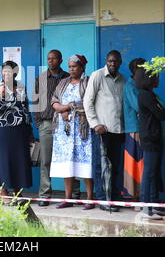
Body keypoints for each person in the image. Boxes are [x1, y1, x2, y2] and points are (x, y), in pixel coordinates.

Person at [34, 50, 80, 206]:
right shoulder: (40, 79)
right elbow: (35, 102)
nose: (50, 61)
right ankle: (45, 194)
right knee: (45, 160)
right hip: (46, 123)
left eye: (54, 58)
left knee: (69, 157)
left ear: (60, 61)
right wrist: (38, 122)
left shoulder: (68, 77)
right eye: (48, 59)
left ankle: (74, 192)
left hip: (65, 123)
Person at [50, 55, 94, 210]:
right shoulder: (63, 82)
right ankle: (67, 198)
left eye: (74, 66)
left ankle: (90, 198)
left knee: (84, 162)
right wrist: (61, 108)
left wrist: (68, 107)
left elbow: (89, 102)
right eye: (69, 66)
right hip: (64, 131)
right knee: (67, 163)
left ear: (82, 67)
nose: (71, 69)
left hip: (82, 128)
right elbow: (54, 100)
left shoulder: (87, 82)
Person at [83, 50, 125, 212]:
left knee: (116, 167)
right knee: (101, 166)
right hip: (101, 131)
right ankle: (102, 199)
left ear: (120, 62)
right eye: (110, 61)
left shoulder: (122, 79)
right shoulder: (97, 75)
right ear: (106, 61)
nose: (112, 64)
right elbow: (88, 101)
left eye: (115, 61)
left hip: (118, 130)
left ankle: (114, 198)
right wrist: (95, 124)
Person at [0, 61, 33, 204]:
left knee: (19, 160)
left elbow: (25, 109)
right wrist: (2, 96)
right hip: (3, 130)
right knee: (3, 160)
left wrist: (29, 129)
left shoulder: (21, 87)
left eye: (9, 71)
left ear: (15, 73)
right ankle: (4, 193)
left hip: (19, 131)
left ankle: (18, 193)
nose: (6, 74)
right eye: (4, 71)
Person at [135, 68, 165, 220]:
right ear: (148, 79)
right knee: (149, 173)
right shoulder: (145, 95)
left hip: (155, 137)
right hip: (150, 138)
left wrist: (162, 110)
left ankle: (155, 205)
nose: (158, 80)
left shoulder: (151, 94)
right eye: (155, 77)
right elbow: (161, 113)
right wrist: (162, 110)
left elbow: (162, 112)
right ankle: (146, 208)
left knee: (155, 172)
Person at [122, 58, 146, 202]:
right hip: (134, 128)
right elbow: (139, 107)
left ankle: (142, 193)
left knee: (142, 163)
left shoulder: (141, 85)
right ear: (135, 70)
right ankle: (133, 195)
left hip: (142, 128)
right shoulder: (130, 86)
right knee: (134, 163)